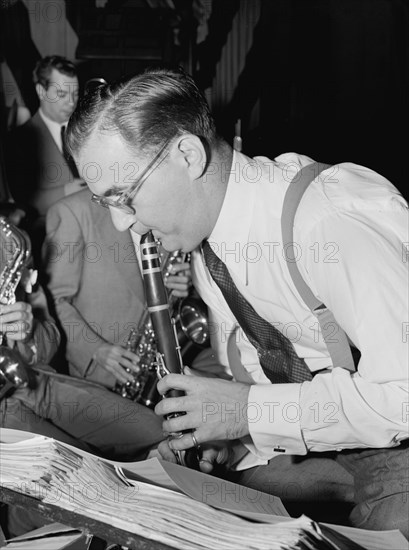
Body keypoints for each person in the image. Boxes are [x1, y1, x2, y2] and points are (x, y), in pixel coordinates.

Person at [63, 69, 409, 536]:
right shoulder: (209, 254)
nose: (124, 225)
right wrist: (231, 441)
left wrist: (247, 412)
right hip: (328, 452)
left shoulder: (328, 217)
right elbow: (267, 389)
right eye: (106, 204)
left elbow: (403, 396)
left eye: (124, 196)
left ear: (187, 154)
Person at [42, 187, 191, 391]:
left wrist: (189, 282)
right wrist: (94, 349)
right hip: (105, 375)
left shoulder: (164, 197)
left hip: (168, 363)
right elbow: (52, 301)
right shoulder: (72, 211)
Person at [5, 55, 85, 264]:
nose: (71, 102)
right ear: (41, 91)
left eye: (75, 93)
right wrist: (66, 191)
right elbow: (22, 200)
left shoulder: (87, 132)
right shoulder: (20, 139)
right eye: (61, 94)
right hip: (51, 246)